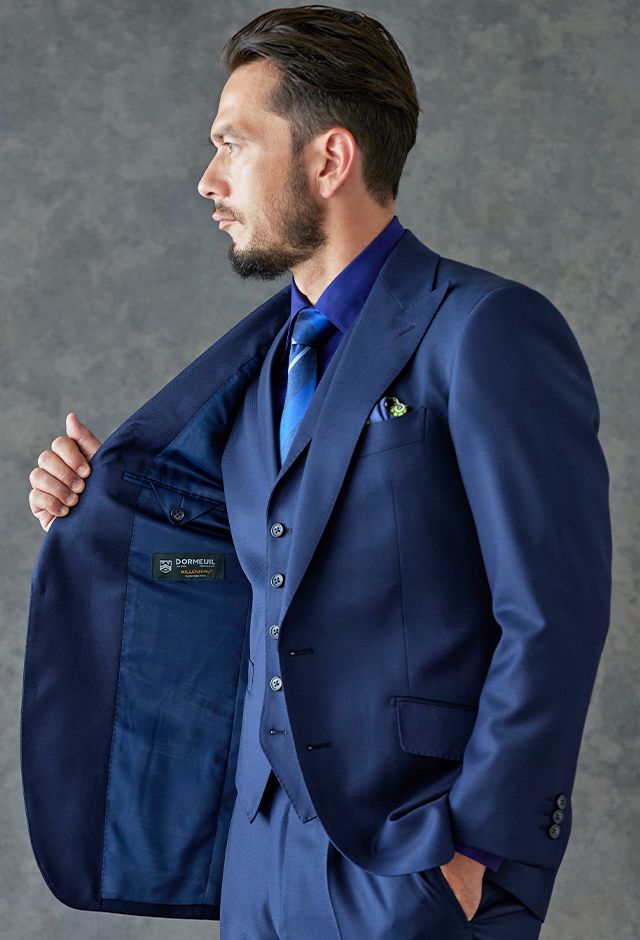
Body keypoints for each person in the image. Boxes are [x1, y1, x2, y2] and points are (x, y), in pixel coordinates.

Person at [24, 6, 611, 939]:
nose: (208, 179)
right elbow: (247, 570)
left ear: (329, 159)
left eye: (233, 144)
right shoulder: (257, 370)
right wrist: (93, 513)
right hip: (258, 862)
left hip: (413, 859)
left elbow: (552, 612)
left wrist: (475, 853)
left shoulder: (486, 332)